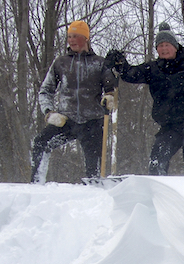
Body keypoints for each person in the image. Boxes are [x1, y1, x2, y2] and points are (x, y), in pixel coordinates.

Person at [105, 23, 184, 175]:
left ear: (175, 46)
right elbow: (131, 74)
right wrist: (120, 63)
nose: (163, 49)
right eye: (160, 46)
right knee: (157, 161)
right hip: (170, 127)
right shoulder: (153, 69)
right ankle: (157, 196)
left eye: (167, 45)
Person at [30, 20, 118, 183]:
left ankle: (94, 193)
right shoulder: (60, 63)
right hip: (65, 120)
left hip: (92, 121)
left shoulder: (98, 63)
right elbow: (45, 90)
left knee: (94, 170)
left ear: (85, 38)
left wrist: (109, 96)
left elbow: (110, 87)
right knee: (40, 142)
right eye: (69, 36)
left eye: (75, 36)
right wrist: (49, 112)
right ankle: (36, 183)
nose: (71, 40)